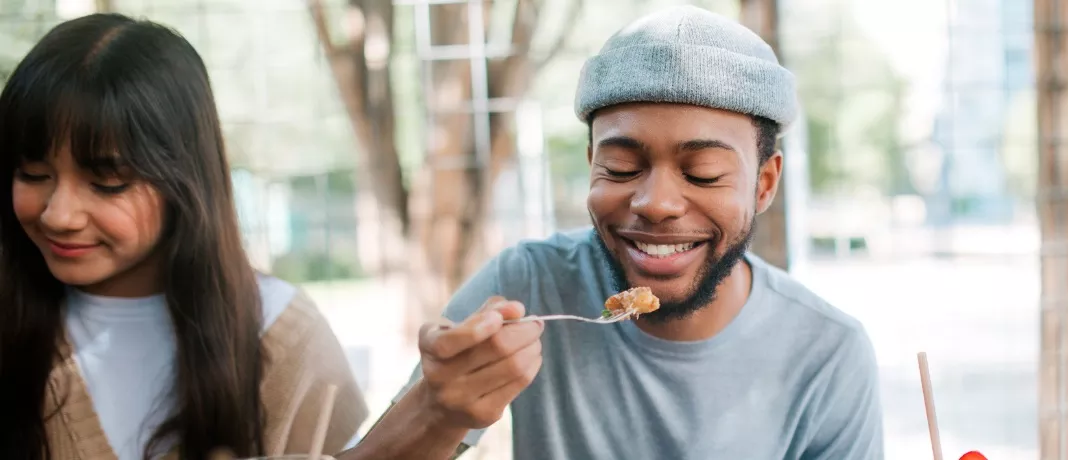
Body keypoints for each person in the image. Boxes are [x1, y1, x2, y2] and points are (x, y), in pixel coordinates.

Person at [387, 5, 885, 459]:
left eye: (704, 173)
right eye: (621, 168)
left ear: (764, 184)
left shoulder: (828, 354)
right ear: (591, 165)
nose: (655, 204)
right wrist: (437, 414)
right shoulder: (527, 287)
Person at [0, 14, 368, 459]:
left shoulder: (278, 334)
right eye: (33, 173)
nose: (58, 215)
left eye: (107, 182)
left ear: (183, 178)